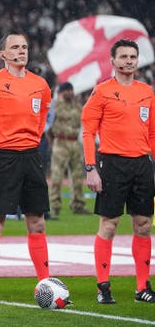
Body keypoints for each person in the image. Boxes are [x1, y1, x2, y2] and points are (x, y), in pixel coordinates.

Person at [0, 30, 52, 308]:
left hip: (30, 157)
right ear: (2, 54)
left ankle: (46, 285)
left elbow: (41, 122)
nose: (22, 51)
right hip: (1, 158)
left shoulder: (40, 85)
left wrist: (29, 143)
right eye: (15, 47)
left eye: (25, 47)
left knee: (37, 222)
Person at [81, 39, 155, 304]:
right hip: (111, 164)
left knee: (144, 225)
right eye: (123, 56)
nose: (128, 60)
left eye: (132, 56)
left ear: (138, 60)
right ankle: (103, 286)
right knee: (109, 225)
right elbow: (88, 132)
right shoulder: (101, 92)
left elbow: (153, 134)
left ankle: (142, 287)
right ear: (112, 60)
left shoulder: (147, 91)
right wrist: (91, 168)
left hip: (142, 165)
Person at [48, 81, 90, 216]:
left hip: (74, 143)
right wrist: (52, 142)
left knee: (78, 176)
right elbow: (48, 126)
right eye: (67, 90)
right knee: (57, 176)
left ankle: (78, 205)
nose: (70, 93)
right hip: (60, 142)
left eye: (71, 90)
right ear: (61, 92)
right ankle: (54, 206)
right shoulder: (54, 106)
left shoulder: (78, 107)